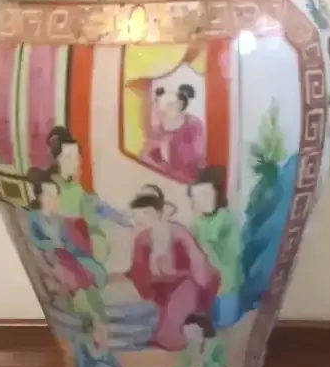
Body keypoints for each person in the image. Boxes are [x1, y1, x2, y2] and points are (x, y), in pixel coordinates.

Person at [126, 184, 221, 351]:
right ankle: (162, 333)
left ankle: (172, 336)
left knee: (174, 311)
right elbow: (139, 268)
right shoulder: (142, 240)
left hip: (187, 280)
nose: (139, 220)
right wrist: (146, 289)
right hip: (160, 284)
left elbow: (197, 260)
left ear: (157, 213)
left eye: (146, 213)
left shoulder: (178, 233)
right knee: (162, 310)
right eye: (136, 216)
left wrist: (202, 286)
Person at [27, 167, 108, 331]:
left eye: (55, 194)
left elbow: (68, 241)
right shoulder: (34, 217)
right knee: (74, 283)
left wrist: (74, 250)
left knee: (87, 277)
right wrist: (50, 246)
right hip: (51, 257)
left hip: (67, 255)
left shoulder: (60, 220)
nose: (53, 198)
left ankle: (99, 316)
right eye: (48, 194)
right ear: (40, 196)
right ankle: (87, 318)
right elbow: (36, 239)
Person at [46, 125, 130, 265]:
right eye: (69, 158)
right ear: (57, 161)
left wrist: (123, 217)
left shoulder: (76, 187)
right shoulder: (53, 188)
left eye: (77, 156)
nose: (76, 162)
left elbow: (97, 207)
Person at [189, 166, 242, 329]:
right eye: (196, 196)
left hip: (225, 274)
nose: (199, 201)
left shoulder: (226, 217)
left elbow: (212, 242)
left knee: (224, 319)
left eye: (205, 195)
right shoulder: (199, 221)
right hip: (207, 277)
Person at [140, 84, 205, 183]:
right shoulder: (158, 130)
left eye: (170, 105)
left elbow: (189, 167)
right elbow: (148, 153)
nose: (162, 111)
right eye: (160, 107)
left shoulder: (194, 128)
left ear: (180, 105)